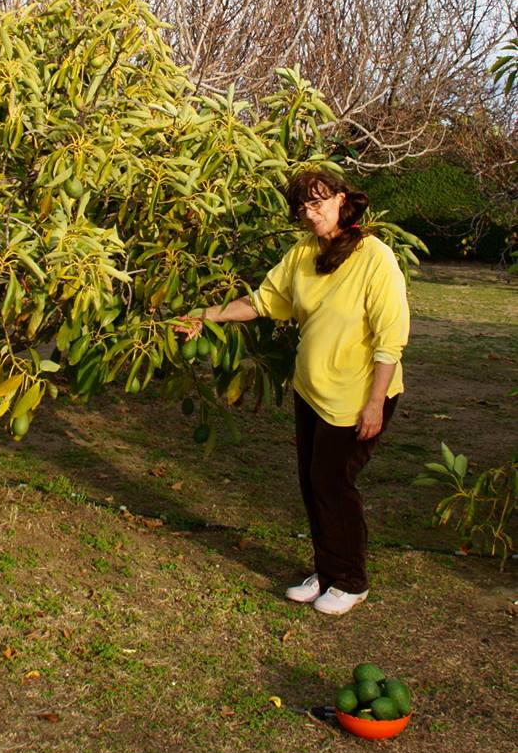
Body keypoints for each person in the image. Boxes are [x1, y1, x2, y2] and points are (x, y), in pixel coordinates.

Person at [175, 167, 410, 615]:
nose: (310, 212)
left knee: (333, 484)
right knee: (312, 483)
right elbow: (262, 302)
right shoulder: (302, 253)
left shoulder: (374, 256)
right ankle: (326, 573)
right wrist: (205, 314)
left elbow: (391, 337)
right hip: (312, 390)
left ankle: (351, 581)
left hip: (358, 395)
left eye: (318, 202)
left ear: (342, 200)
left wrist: (376, 402)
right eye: (302, 206)